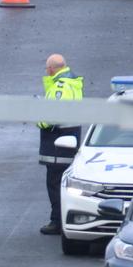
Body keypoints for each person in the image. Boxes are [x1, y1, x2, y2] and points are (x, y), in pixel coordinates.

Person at [37, 54, 83, 235]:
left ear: (51, 69)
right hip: (68, 141)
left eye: (47, 68)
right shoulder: (71, 82)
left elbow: (52, 115)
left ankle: (57, 221)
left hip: (58, 144)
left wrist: (38, 119)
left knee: (55, 183)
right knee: (61, 182)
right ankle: (61, 219)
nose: (46, 72)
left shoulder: (61, 86)